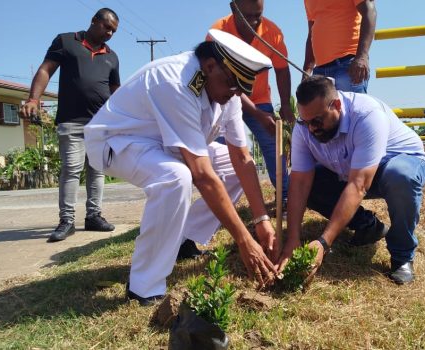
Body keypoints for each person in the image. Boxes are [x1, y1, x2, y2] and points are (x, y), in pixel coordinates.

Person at [84, 29, 280, 305]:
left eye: (240, 89)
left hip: (166, 143)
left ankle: (182, 239)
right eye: (231, 85)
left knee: (226, 162)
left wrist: (262, 223)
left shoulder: (228, 92)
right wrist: (244, 240)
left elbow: (243, 160)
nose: (234, 94)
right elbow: (202, 174)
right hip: (120, 140)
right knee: (175, 177)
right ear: (210, 66)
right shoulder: (175, 81)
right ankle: (144, 285)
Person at [277, 76, 425, 285]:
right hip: (351, 170)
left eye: (317, 120)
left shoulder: (367, 114)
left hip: (397, 163)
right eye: (305, 121)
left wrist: (324, 242)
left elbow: (359, 185)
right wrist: (293, 240)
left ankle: (402, 255)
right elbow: (299, 182)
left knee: (400, 178)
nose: (311, 129)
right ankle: (368, 226)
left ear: (337, 105)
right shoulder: (304, 128)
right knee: (311, 184)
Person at [175, 0, 293, 261]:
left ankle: (285, 198)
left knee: (259, 153)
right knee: (203, 169)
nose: (254, 23)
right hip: (225, 95)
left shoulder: (273, 32)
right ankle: (209, 215)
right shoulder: (218, 32)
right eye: (247, 16)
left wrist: (284, 107)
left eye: (258, 17)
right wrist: (244, 238)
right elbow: (228, 86)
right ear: (233, 7)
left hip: (253, 98)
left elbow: (282, 70)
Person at [20, 8, 120, 243]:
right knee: (71, 170)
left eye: (113, 31)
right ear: (94, 21)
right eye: (106, 27)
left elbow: (116, 91)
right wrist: (33, 99)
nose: (110, 33)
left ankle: (94, 216)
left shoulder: (112, 56)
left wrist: (122, 119)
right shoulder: (66, 41)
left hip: (101, 123)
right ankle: (67, 220)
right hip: (71, 121)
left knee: (97, 171)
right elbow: (46, 69)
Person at [302, 0, 376, 93]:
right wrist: (307, 71)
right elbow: (311, 33)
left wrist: (362, 57)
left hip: (348, 65)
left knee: (352, 107)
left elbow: (370, 11)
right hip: (320, 72)